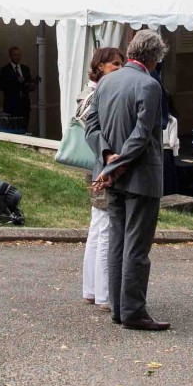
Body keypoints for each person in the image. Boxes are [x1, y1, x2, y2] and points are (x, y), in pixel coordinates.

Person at [91, 29, 171, 330]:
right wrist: (118, 164)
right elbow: (141, 135)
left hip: (115, 174)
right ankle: (133, 311)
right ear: (155, 57)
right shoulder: (149, 85)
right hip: (141, 177)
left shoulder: (107, 81)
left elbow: (92, 125)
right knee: (136, 247)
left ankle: (119, 309)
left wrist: (109, 157)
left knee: (117, 242)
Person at [75, 46, 124, 310]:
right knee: (104, 229)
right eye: (114, 64)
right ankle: (104, 294)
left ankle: (92, 290)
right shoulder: (99, 93)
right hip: (102, 166)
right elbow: (94, 128)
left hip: (96, 165)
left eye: (120, 64)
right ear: (101, 66)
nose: (118, 68)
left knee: (97, 228)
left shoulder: (90, 91)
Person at [0, 46, 36, 133]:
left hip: (24, 104)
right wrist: (16, 82)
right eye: (15, 55)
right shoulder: (5, 70)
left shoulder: (25, 69)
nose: (17, 57)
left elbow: (28, 84)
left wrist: (31, 86)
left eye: (19, 55)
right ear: (10, 56)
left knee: (24, 127)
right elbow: (2, 86)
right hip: (11, 104)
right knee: (12, 128)